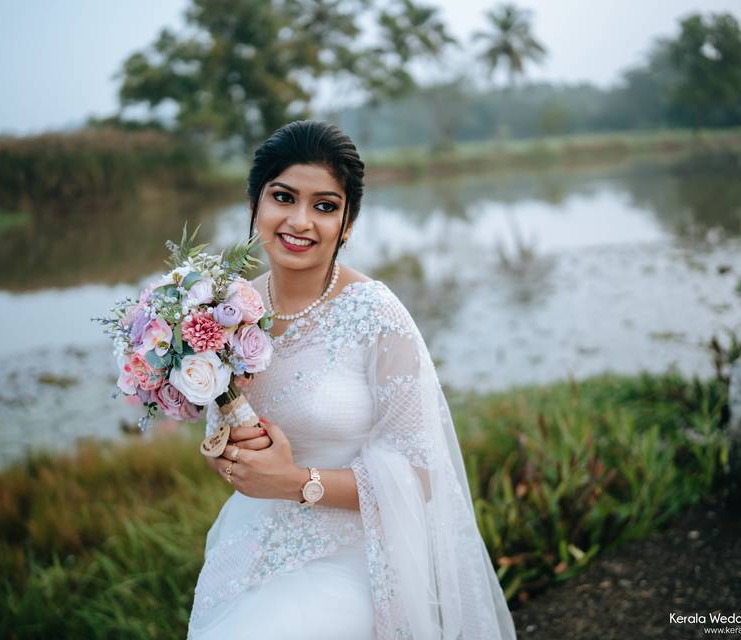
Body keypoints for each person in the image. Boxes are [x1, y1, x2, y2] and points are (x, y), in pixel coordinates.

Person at [186, 120, 516, 640]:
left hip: (357, 553)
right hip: (249, 540)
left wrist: (295, 482)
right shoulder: (224, 312)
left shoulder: (375, 313)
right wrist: (229, 456)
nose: (300, 220)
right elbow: (232, 434)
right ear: (254, 204)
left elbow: (421, 474)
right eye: (283, 197)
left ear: (348, 223)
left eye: (324, 205)